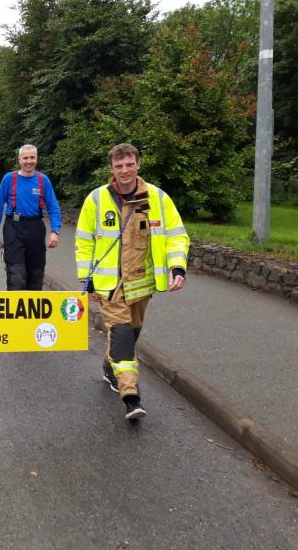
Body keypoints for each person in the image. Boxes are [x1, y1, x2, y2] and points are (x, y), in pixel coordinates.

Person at [75, 143, 189, 421]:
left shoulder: (158, 199)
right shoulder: (97, 199)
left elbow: (176, 235)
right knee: (123, 336)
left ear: (138, 165)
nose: (124, 170)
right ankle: (131, 397)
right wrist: (86, 279)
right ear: (111, 169)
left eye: (129, 165)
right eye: (118, 166)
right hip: (109, 287)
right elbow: (84, 240)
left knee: (131, 332)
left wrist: (178, 267)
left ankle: (108, 366)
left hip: (142, 286)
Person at [0, 144, 61, 290]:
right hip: (14, 228)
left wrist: (55, 231)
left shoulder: (43, 180)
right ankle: (15, 310)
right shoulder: (9, 179)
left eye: (32, 157)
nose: (29, 161)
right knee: (16, 275)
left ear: (37, 159)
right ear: (19, 160)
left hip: (35, 228)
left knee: (36, 274)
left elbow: (53, 206)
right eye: (25, 158)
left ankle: (33, 311)